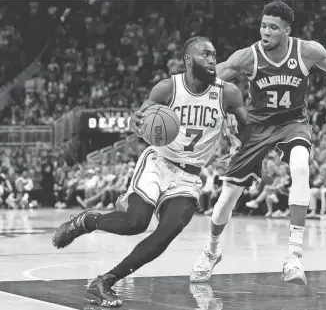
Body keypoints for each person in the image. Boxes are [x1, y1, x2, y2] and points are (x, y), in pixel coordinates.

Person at [189, 0, 326, 286]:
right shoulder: (249, 56)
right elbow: (215, 74)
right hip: (256, 126)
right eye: (263, 25)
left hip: (292, 122)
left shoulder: (307, 51)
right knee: (226, 199)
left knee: (300, 167)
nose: (265, 31)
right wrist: (181, 88)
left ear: (286, 30)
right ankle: (211, 250)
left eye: (272, 27)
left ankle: (294, 254)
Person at [52, 36, 248, 307]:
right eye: (205, 54)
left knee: (168, 230)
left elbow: (249, 127)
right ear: (188, 59)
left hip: (190, 175)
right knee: (136, 223)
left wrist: (240, 139)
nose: (212, 59)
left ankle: (105, 281)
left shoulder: (228, 93)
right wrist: (136, 121)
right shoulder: (168, 88)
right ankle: (86, 221)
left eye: (214, 54)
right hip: (159, 162)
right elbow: (141, 118)